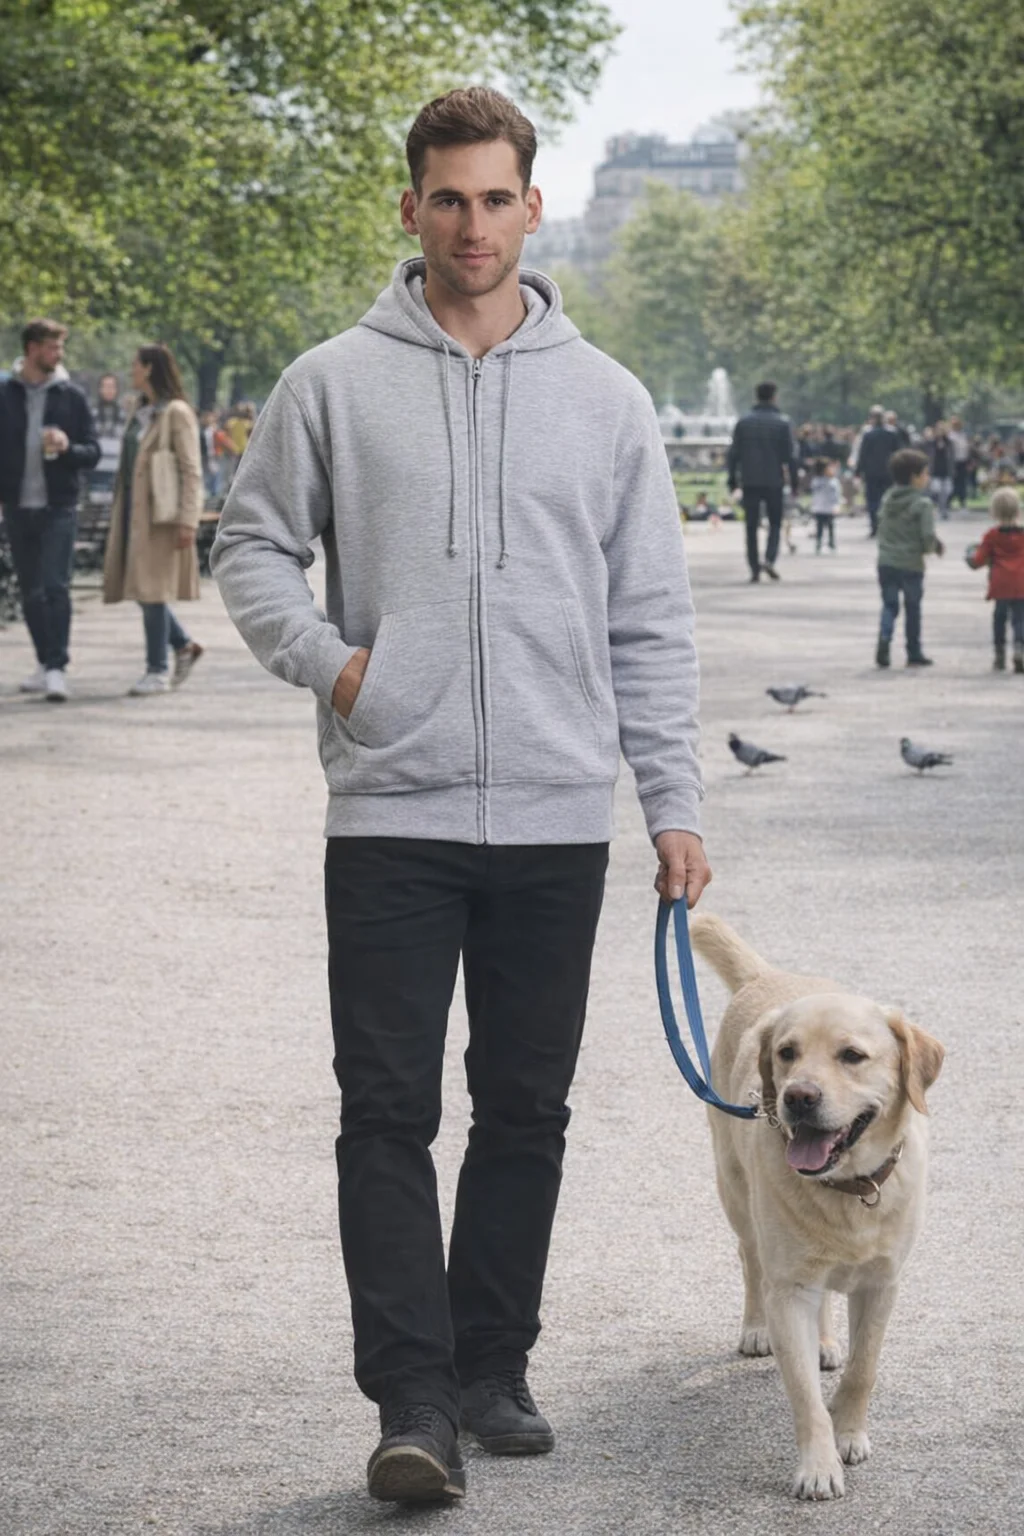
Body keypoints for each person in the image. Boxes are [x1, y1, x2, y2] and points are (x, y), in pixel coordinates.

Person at [211, 85, 710, 1506]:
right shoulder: (330, 381)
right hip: (392, 811)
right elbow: (251, 547)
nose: (473, 224)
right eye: (448, 198)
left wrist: (672, 800)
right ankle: (413, 1401)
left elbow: (650, 623)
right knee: (384, 1111)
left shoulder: (608, 401)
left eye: (498, 198)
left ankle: (493, 1369)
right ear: (412, 206)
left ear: (532, 207)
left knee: (528, 1107)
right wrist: (336, 668)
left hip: (557, 810)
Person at [0, 317, 100, 700]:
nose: (58, 354)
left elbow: (90, 452)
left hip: (60, 506)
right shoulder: (6, 394)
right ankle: (43, 661)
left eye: (60, 347)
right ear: (31, 349)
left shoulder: (71, 396)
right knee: (30, 591)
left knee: (56, 587)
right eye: (52, 346)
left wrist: (67, 447)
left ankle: (58, 667)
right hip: (17, 507)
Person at [102, 344, 204, 694]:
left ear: (148, 368)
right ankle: (183, 645)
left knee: (151, 590)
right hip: (133, 513)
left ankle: (157, 669)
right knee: (145, 590)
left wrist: (188, 520)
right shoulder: (140, 410)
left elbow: (192, 470)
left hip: (163, 517)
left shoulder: (176, 412)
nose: (130, 370)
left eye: (135, 364)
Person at [875, 448, 944, 668]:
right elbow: (927, 535)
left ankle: (884, 642)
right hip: (912, 564)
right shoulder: (923, 504)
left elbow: (881, 525)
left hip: (886, 562)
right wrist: (931, 548)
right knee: (912, 607)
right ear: (915, 477)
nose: (928, 478)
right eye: (925, 473)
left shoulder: (887, 499)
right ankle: (913, 651)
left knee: (889, 605)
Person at [726, 380, 798, 582]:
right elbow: (790, 456)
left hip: (750, 479)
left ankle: (754, 567)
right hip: (774, 479)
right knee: (775, 522)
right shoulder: (782, 423)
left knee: (751, 525)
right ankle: (770, 558)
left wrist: (732, 480)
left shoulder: (744, 422)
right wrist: (794, 482)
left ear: (756, 396)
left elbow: (733, 454)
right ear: (774, 396)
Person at [966, 487, 1024, 672]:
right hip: (1021, 582)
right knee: (1020, 619)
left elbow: (979, 560)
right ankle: (1019, 648)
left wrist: (970, 557)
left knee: (999, 618)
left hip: (1000, 583)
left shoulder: (992, 536)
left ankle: (999, 655)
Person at [853, 406, 901, 538]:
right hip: (888, 472)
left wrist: (858, 471)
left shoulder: (868, 434)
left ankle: (875, 526)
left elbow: (863, 454)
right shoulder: (892, 433)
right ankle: (888, 526)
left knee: (873, 500)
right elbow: (897, 453)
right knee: (888, 499)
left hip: (872, 472)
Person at [809, 456, 841, 552]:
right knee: (820, 526)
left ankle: (831, 542)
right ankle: (819, 542)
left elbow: (836, 495)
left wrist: (836, 505)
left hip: (829, 508)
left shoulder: (832, 481)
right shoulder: (819, 481)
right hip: (820, 507)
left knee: (830, 526)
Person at [928, 422, 955, 520]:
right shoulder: (932, 442)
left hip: (946, 470)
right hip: (935, 470)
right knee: (936, 490)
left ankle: (944, 509)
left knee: (946, 491)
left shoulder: (949, 442)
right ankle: (941, 507)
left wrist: (952, 469)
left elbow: (952, 457)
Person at [948, 415, 970, 508]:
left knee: (962, 482)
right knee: (953, 482)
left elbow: (967, 448)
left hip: (963, 461)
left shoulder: (963, 435)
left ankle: (962, 500)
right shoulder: (950, 436)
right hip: (954, 462)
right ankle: (949, 500)